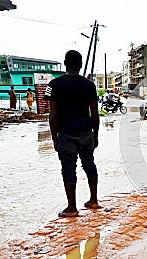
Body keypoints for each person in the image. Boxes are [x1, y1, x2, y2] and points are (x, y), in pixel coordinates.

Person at [45, 50, 100, 217]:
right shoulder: (90, 85)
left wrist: (54, 137)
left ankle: (72, 208)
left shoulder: (53, 85)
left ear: (64, 63)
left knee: (68, 169)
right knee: (89, 164)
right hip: (86, 132)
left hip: (67, 134)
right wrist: (95, 135)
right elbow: (95, 113)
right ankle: (94, 200)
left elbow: (53, 114)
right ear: (81, 64)